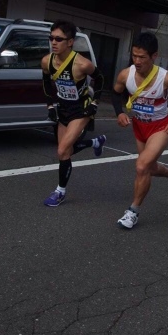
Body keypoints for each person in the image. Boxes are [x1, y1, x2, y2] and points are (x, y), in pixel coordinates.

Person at [111, 32, 168, 229]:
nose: (137, 61)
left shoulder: (166, 78)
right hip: (139, 126)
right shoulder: (126, 74)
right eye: (134, 56)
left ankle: (133, 211)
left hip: (160, 127)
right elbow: (116, 92)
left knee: (141, 166)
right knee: (148, 167)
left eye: (142, 57)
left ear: (154, 56)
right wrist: (119, 113)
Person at [41, 19, 106, 207]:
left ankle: (60, 192)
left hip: (81, 109)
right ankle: (95, 142)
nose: (54, 42)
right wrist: (50, 106)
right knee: (65, 152)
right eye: (51, 38)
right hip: (63, 108)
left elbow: (100, 78)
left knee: (62, 150)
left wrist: (94, 103)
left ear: (70, 42)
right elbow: (45, 83)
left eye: (59, 39)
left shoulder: (82, 64)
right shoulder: (47, 61)